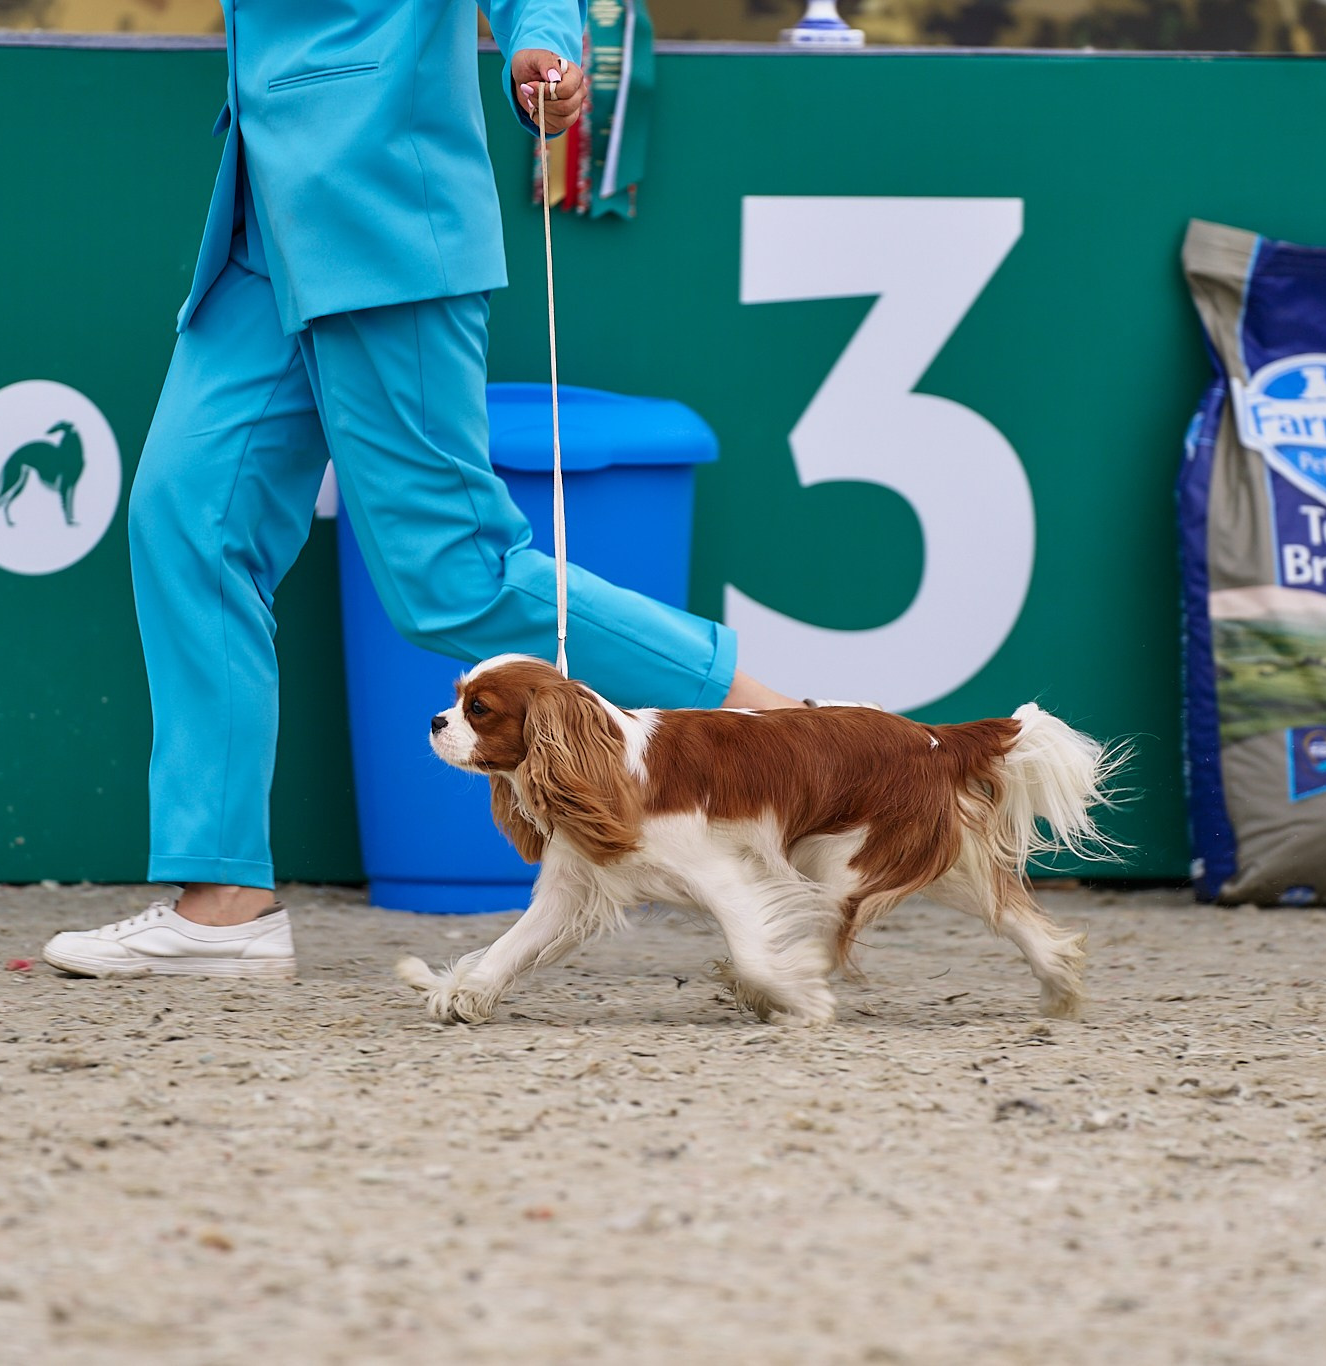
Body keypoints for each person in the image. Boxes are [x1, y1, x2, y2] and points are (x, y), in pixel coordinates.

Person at [42, 0, 801, 980]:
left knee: (455, 579)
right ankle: (222, 904)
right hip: (257, 227)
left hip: (384, 214)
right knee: (184, 523)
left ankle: (787, 733)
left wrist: (543, 44)